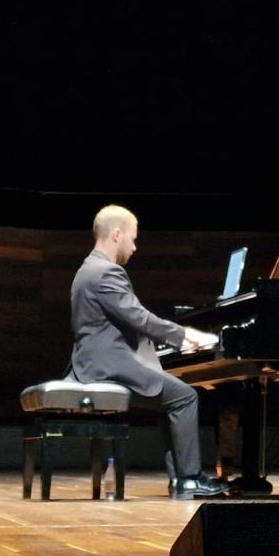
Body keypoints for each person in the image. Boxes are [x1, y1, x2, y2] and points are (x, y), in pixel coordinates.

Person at [66, 204, 229, 500]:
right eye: (133, 238)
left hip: (95, 365)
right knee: (185, 396)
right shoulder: (106, 272)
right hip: (107, 369)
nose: (135, 246)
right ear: (117, 235)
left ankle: (180, 480)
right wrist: (184, 335)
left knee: (170, 397)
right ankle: (188, 479)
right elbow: (139, 317)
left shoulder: (87, 269)